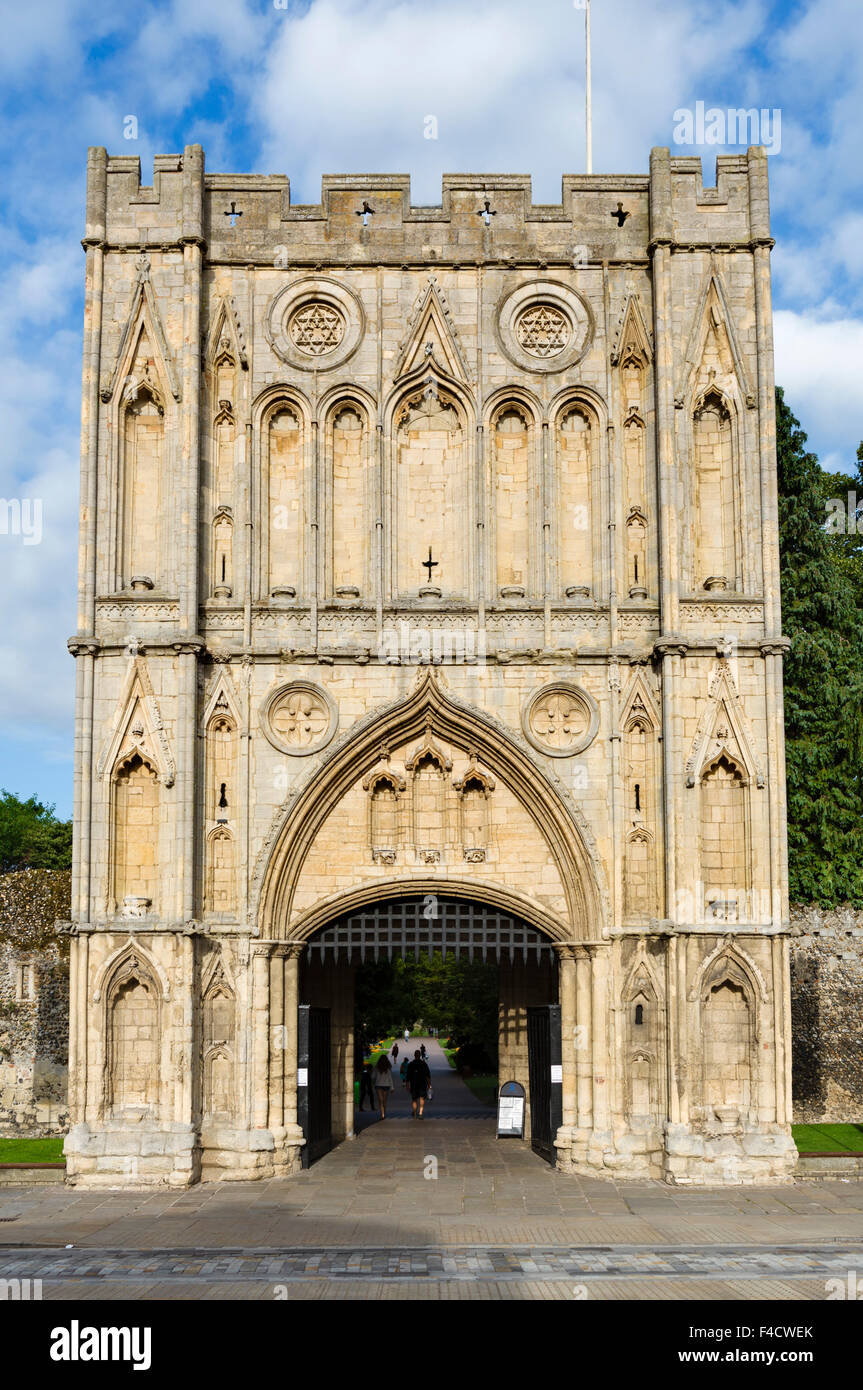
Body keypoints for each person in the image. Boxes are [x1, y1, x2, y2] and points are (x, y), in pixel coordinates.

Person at [405, 1049, 431, 1118]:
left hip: (414, 1084)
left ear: (414, 1055)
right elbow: (428, 1075)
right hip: (422, 1084)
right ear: (420, 1056)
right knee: (422, 1099)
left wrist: (407, 1085)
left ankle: (415, 1113)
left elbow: (408, 1076)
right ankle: (420, 1113)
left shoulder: (411, 1064)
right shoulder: (424, 1064)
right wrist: (429, 1084)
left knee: (414, 1100)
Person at [372, 1054, 395, 1119]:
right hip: (386, 1085)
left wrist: (373, 1081)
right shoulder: (388, 1068)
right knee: (384, 1100)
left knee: (381, 1100)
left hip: (378, 1085)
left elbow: (373, 1077)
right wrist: (392, 1087)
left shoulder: (377, 1067)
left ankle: (383, 1114)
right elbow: (390, 1078)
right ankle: (383, 1113)